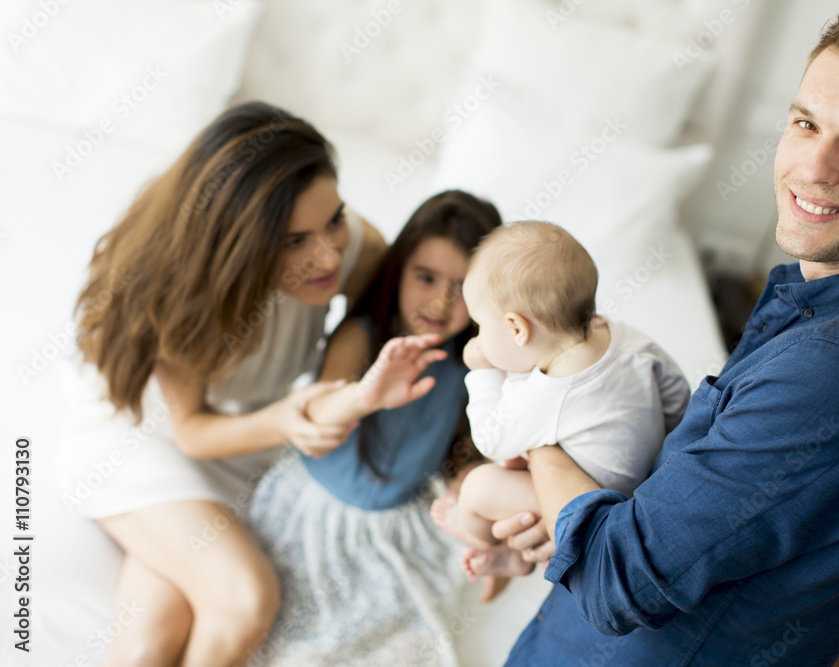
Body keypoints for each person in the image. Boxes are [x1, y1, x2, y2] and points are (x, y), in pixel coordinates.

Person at [493, 3, 839, 664]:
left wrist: (542, 428)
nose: (816, 166)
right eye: (806, 123)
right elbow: (711, 501)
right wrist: (566, 519)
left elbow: (617, 579)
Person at [55, 101, 388, 666]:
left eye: (333, 219)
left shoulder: (352, 247)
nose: (328, 253)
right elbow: (190, 433)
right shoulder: (176, 290)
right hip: (140, 437)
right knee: (243, 600)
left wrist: (331, 393)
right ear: (237, 242)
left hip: (244, 447)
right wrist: (287, 419)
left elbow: (366, 325)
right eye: (293, 242)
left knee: (150, 643)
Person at [247, 190, 502, 666]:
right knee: (293, 643)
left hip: (394, 524)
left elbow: (457, 449)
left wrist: (483, 511)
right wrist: (366, 395)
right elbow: (316, 412)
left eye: (461, 288)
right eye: (425, 277)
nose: (440, 301)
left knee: (404, 647)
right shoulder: (361, 335)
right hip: (317, 515)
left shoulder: (465, 365)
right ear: (399, 268)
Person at [430, 221, 690, 582]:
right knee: (518, 455)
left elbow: (489, 437)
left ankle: (488, 540)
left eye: (480, 326)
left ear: (517, 329)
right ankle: (513, 557)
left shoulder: (549, 392)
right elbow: (676, 394)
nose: (477, 337)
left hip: (594, 507)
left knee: (479, 485)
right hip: (641, 481)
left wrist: (482, 373)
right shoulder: (618, 334)